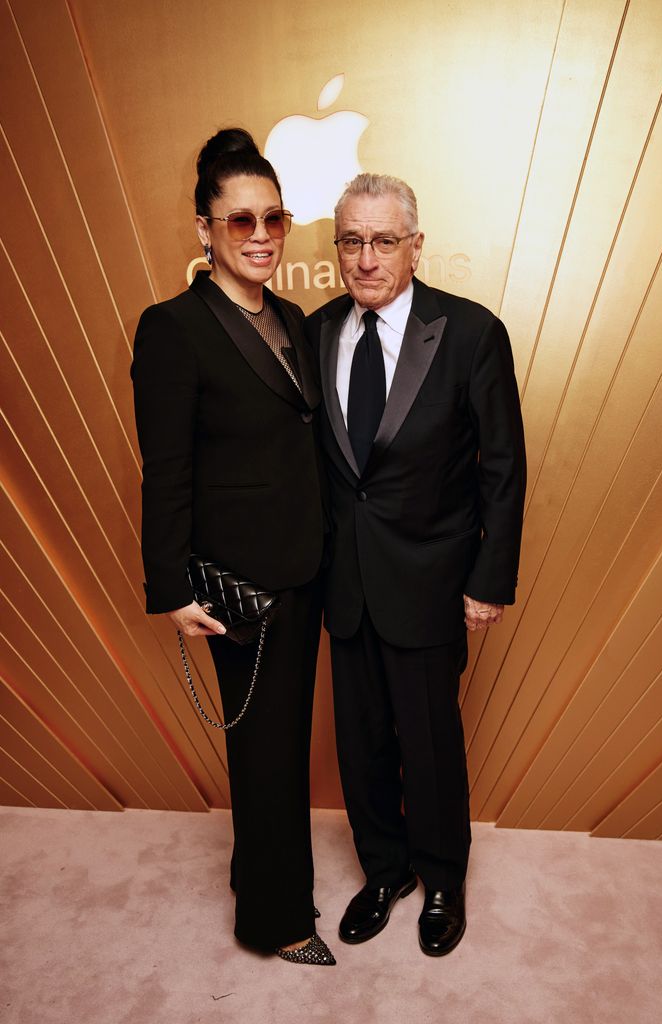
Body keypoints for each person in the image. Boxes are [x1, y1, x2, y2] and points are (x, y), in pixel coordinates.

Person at [305, 173, 526, 957]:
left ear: (415, 246)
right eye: (351, 241)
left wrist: (488, 579)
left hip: (433, 582)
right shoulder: (319, 330)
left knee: (429, 742)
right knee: (359, 742)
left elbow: (502, 466)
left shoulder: (469, 333)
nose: (365, 258)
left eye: (383, 240)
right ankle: (385, 868)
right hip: (347, 583)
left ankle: (443, 881)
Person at [131, 129, 335, 966]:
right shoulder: (173, 328)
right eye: (239, 218)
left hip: (306, 568)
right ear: (204, 230)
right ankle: (275, 921)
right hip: (236, 584)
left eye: (274, 217)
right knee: (265, 751)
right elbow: (164, 469)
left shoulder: (289, 315)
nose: (260, 234)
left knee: (280, 742)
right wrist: (172, 586)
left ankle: (262, 880)